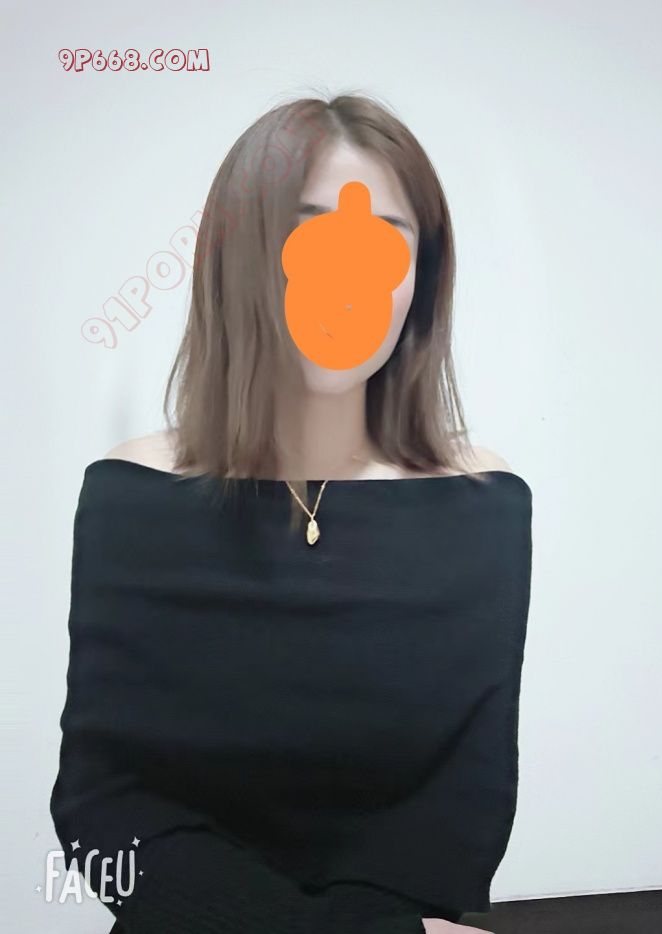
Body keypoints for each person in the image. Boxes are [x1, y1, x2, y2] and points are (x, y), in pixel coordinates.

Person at [50, 93, 533, 933]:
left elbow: (458, 811)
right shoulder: (133, 495)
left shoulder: (481, 504)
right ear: (237, 256)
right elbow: (105, 810)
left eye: (387, 238)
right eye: (309, 230)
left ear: (420, 280)